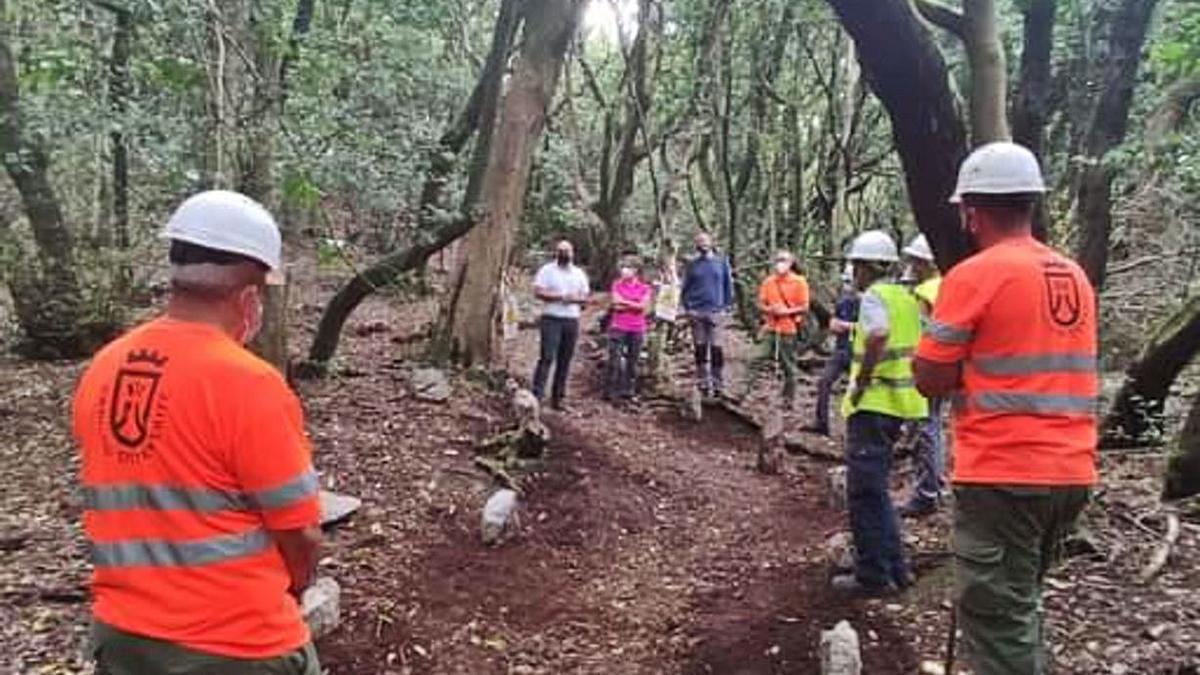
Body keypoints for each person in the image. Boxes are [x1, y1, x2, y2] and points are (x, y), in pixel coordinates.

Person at [73, 191, 322, 674]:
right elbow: (301, 536)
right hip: (237, 644)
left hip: (123, 639)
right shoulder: (249, 384)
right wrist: (297, 584)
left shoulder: (104, 368)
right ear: (250, 298)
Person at [914, 142, 1097, 675]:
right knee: (1021, 608)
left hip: (1004, 472)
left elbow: (929, 379)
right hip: (1070, 472)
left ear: (971, 210)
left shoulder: (975, 275)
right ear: (1031, 203)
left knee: (997, 623)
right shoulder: (1075, 277)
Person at [832, 230, 928, 596]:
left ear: (867, 267)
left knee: (864, 492)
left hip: (874, 404)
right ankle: (897, 568)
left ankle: (872, 574)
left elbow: (877, 335)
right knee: (878, 490)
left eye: (856, 265)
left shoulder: (874, 296)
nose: (853, 272)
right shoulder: (905, 296)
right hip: (898, 407)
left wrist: (861, 382)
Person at [898, 234, 946, 517]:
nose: (912, 265)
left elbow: (921, 333)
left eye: (916, 260)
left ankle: (927, 492)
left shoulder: (926, 291)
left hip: (928, 367)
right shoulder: (947, 285)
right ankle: (934, 484)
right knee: (934, 425)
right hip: (945, 367)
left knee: (925, 427)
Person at [741, 251, 810, 408]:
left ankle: (788, 400)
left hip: (788, 330)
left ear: (791, 262)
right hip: (770, 328)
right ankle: (741, 393)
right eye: (778, 260)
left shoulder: (799, 282)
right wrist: (770, 309)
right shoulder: (768, 282)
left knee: (789, 367)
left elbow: (805, 307)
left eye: (784, 260)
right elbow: (760, 304)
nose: (780, 263)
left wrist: (786, 312)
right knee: (755, 358)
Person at [532, 239, 590, 411]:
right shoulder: (547, 270)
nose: (564, 254)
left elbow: (585, 298)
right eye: (561, 250)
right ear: (556, 253)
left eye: (567, 251)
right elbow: (538, 291)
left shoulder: (579, 273)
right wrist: (561, 297)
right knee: (547, 357)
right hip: (551, 318)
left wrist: (575, 299)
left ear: (572, 253)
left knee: (565, 360)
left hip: (571, 320)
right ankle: (537, 396)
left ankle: (559, 399)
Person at [805, 264, 859, 436]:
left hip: (858, 353)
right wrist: (834, 325)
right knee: (823, 382)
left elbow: (873, 328)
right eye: (845, 281)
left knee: (858, 390)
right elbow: (834, 322)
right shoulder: (842, 299)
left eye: (850, 281)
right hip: (841, 350)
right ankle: (821, 424)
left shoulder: (868, 301)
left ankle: (857, 430)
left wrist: (849, 326)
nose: (847, 285)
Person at [681, 232, 734, 398]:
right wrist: (687, 307)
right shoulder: (692, 265)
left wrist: (726, 306)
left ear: (711, 242)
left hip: (716, 311)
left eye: (704, 241)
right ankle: (702, 382)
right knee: (700, 348)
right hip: (697, 312)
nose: (702, 244)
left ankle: (718, 384)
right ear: (696, 245)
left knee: (717, 348)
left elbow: (728, 286)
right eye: (699, 241)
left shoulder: (721, 262)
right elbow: (685, 288)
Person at [606, 256, 652, 401]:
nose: (623, 270)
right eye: (622, 267)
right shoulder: (616, 284)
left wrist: (624, 302)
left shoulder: (645, 288)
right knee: (614, 359)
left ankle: (628, 390)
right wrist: (633, 303)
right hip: (618, 326)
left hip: (637, 328)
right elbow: (615, 304)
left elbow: (643, 307)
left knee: (633, 360)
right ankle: (610, 390)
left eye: (627, 267)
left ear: (635, 270)